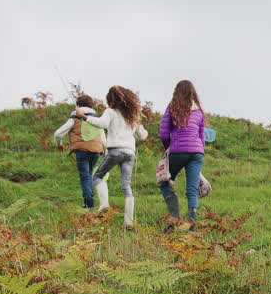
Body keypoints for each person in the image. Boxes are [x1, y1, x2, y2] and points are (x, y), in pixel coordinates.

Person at [83, 86, 148, 229]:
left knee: (97, 176)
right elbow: (143, 136)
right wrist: (139, 126)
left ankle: (104, 205)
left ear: (110, 99)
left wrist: (85, 118)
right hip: (130, 153)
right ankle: (128, 221)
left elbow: (102, 123)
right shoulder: (131, 116)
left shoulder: (110, 112)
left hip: (115, 150)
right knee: (126, 185)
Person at [159, 80, 207, 231]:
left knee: (165, 182)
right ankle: (191, 225)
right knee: (192, 190)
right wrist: (198, 149)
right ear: (193, 93)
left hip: (178, 151)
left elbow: (163, 134)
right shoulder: (198, 110)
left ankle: (174, 219)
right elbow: (202, 137)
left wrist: (168, 147)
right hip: (197, 153)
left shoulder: (173, 107)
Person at [52, 94, 106, 209]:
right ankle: (90, 200)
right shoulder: (95, 119)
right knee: (89, 175)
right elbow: (103, 137)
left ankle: (88, 203)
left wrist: (59, 144)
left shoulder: (74, 118)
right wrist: (105, 152)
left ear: (78, 105)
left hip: (81, 150)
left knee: (85, 176)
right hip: (96, 150)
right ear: (91, 106)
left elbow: (58, 134)